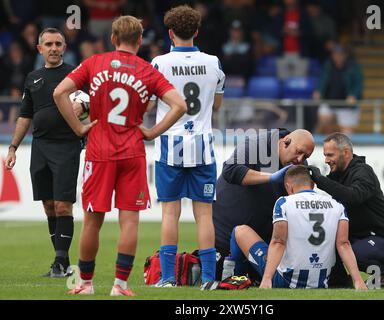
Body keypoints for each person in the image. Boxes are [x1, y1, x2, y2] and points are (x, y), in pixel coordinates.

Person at [53, 16, 187, 296]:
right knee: (129, 221)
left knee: (92, 221)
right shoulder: (148, 71)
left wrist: (79, 128)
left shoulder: (94, 63)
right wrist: (151, 132)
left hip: (99, 152)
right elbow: (180, 105)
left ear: (113, 38)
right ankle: (120, 285)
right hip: (132, 152)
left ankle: (86, 284)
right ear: (140, 40)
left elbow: (59, 93)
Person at [148, 5, 225, 291]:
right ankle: (208, 279)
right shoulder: (213, 62)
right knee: (204, 214)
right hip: (202, 145)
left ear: (170, 32)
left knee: (170, 213)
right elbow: (216, 105)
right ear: (196, 31)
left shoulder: (159, 63)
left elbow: (148, 104)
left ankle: (167, 278)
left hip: (170, 144)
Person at [4, 28, 82, 277]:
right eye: (48, 44)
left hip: (67, 146)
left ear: (64, 47)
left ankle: (60, 263)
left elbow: (92, 102)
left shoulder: (76, 74)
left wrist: (86, 107)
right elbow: (24, 116)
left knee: (62, 206)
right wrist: (13, 147)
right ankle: (62, 263)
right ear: (39, 49)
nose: (53, 48)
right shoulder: (33, 78)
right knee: (48, 205)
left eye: (58, 43)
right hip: (39, 147)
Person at [231, 165, 367, 290]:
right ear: (313, 185)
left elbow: (279, 242)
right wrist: (358, 281)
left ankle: (239, 278)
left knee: (240, 231)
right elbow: (344, 244)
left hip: (285, 281)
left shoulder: (284, 203)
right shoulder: (337, 204)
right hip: (320, 282)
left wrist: (266, 279)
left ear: (288, 187)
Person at [213, 128, 315, 281]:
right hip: (225, 238)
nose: (300, 159)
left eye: (305, 156)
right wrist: (270, 177)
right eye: (298, 152)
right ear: (286, 141)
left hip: (260, 241)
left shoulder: (297, 163)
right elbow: (230, 170)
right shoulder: (257, 144)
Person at [307, 133, 384, 288]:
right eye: (325, 155)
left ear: (345, 152)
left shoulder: (363, 172)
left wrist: (321, 180)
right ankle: (340, 282)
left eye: (330, 155)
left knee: (352, 254)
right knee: (325, 245)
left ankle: (382, 274)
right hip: (358, 237)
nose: (326, 160)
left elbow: (353, 197)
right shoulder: (337, 175)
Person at [313, 44, 363, 135]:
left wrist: (353, 95)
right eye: (336, 54)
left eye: (340, 54)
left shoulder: (353, 67)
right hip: (330, 101)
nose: (338, 56)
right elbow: (322, 80)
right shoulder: (328, 65)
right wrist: (319, 91)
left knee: (347, 132)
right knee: (324, 120)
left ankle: (342, 146)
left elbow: (358, 84)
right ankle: (330, 144)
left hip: (347, 104)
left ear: (345, 55)